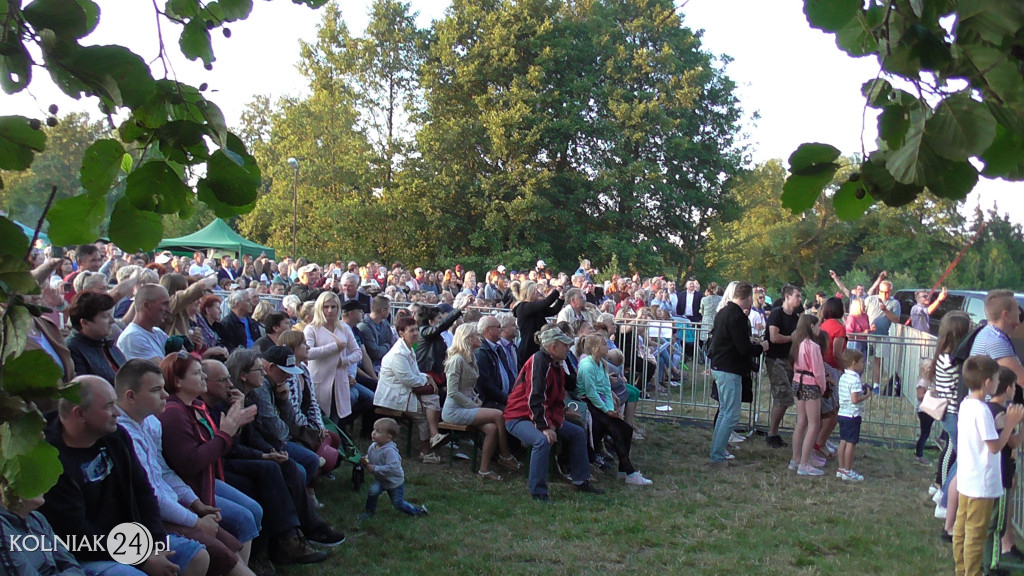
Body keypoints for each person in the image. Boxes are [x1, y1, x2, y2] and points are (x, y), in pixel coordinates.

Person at [40, 375, 211, 576]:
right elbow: (74, 534)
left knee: (196, 557)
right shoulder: (49, 459)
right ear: (79, 414)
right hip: (84, 553)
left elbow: (144, 492)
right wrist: (141, 558)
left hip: (131, 538)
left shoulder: (116, 435)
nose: (117, 412)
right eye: (108, 406)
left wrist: (156, 544)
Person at [114, 360, 255, 576]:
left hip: (179, 501)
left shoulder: (151, 422)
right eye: (156, 390)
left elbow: (163, 473)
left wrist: (196, 504)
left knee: (231, 537)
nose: (164, 395)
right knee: (212, 548)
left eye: (162, 388)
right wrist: (195, 520)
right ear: (130, 396)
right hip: (148, 520)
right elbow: (188, 466)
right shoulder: (143, 426)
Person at [504, 327, 604, 502]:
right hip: (519, 417)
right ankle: (538, 491)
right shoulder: (539, 362)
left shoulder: (556, 364)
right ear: (553, 347)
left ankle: (581, 481)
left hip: (540, 415)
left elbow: (555, 398)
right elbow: (534, 398)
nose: (568, 348)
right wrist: (544, 426)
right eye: (564, 345)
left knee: (577, 432)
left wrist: (559, 417)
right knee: (541, 441)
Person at [953, 355, 1023, 576]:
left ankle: (962, 569)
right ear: (987, 382)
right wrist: (1011, 423)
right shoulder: (982, 410)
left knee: (962, 530)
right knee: (976, 535)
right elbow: (995, 446)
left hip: (967, 480)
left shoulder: (967, 404)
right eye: (995, 378)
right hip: (981, 485)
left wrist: (1002, 424)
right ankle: (972, 572)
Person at [442, 323, 520, 480]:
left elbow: (469, 389)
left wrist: (475, 401)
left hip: (467, 406)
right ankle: (505, 455)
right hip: (454, 410)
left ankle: (484, 470)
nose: (480, 338)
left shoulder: (470, 357)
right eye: (476, 336)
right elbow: (452, 392)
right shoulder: (457, 360)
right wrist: (473, 405)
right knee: (498, 414)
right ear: (468, 339)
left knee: (491, 429)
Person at [576, 333, 651, 486]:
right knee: (617, 430)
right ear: (596, 348)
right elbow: (591, 393)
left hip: (600, 402)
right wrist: (607, 411)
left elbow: (605, 388)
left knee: (626, 429)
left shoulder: (601, 364)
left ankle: (624, 471)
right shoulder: (587, 366)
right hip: (588, 402)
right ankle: (630, 472)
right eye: (604, 344)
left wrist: (611, 408)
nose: (607, 347)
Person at [374, 315, 446, 463]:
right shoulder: (398, 354)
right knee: (423, 414)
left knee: (431, 398)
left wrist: (426, 377)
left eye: (416, 330)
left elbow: (414, 373)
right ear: (401, 332)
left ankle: (433, 438)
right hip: (391, 395)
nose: (416, 333)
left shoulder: (408, 348)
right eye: (411, 330)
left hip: (404, 391)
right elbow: (408, 380)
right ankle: (427, 450)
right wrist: (426, 379)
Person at [927, 311, 973, 539]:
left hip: (948, 413)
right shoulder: (953, 361)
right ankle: (945, 499)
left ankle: (943, 495)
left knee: (956, 452)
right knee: (962, 458)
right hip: (954, 414)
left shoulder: (942, 356)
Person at [303, 291, 363, 426]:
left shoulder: (344, 328)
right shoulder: (311, 329)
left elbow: (358, 352)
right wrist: (333, 347)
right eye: (326, 307)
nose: (329, 311)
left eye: (333, 307)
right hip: (319, 380)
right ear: (320, 308)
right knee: (319, 419)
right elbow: (308, 353)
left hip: (339, 381)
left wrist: (345, 361)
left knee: (335, 420)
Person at [358, 418, 429, 520]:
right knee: (373, 491)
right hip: (381, 479)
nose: (373, 433)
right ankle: (369, 512)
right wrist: (366, 460)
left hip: (394, 481)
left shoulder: (390, 451)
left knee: (398, 504)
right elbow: (371, 456)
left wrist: (373, 468)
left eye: (378, 431)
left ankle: (418, 512)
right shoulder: (373, 446)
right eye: (374, 430)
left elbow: (392, 468)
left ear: (388, 438)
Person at [787, 314, 826, 476]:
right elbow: (818, 371)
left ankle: (796, 460)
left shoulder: (797, 343)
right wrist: (822, 387)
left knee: (801, 422)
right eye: (817, 325)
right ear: (811, 326)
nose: (819, 329)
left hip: (797, 381)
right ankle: (804, 463)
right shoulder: (813, 347)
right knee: (813, 424)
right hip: (810, 384)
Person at [765, 285, 801, 448]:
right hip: (775, 359)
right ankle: (772, 433)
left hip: (789, 359)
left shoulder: (796, 317)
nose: (799, 300)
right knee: (783, 394)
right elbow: (774, 337)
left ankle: (774, 432)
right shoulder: (776, 314)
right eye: (797, 296)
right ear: (787, 296)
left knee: (784, 397)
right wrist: (791, 338)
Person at [67, 292, 126, 382]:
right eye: (105, 316)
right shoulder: (72, 350)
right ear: (85, 323)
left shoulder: (106, 344)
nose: (112, 320)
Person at [836, 348, 871, 481]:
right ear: (854, 363)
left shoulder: (843, 377)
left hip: (842, 413)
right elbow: (855, 399)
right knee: (851, 442)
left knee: (843, 441)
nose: (863, 364)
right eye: (861, 362)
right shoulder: (855, 380)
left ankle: (841, 468)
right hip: (852, 414)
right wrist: (866, 395)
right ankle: (848, 471)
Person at [512, 280, 565, 366]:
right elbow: (546, 303)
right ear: (529, 292)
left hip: (538, 345)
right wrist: (558, 289)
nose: (538, 293)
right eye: (535, 291)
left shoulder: (534, 307)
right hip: (528, 347)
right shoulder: (523, 307)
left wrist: (560, 299)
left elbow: (552, 311)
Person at [117, 284, 171, 363]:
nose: (169, 310)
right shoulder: (132, 337)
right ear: (147, 306)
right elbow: (163, 372)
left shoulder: (158, 332)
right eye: (164, 304)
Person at [864, 274, 900, 391]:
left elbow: (896, 319)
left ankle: (876, 385)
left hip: (883, 336)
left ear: (891, 291)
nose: (884, 294)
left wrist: (885, 310)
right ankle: (860, 384)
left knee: (878, 361)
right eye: (882, 291)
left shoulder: (894, 303)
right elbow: (862, 312)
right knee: (861, 359)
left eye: (887, 292)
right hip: (866, 335)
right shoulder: (870, 299)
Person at [475, 315, 517, 410]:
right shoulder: (481, 352)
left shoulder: (498, 349)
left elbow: (508, 373)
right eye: (498, 327)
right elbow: (485, 385)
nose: (501, 330)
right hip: (491, 402)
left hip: (503, 399)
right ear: (488, 330)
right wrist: (505, 399)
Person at [358, 296, 394, 371]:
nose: (389, 312)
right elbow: (375, 353)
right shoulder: (364, 326)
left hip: (386, 363)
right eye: (389, 309)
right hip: (372, 367)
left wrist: (387, 346)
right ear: (383, 311)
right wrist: (387, 346)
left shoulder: (385, 323)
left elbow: (391, 343)